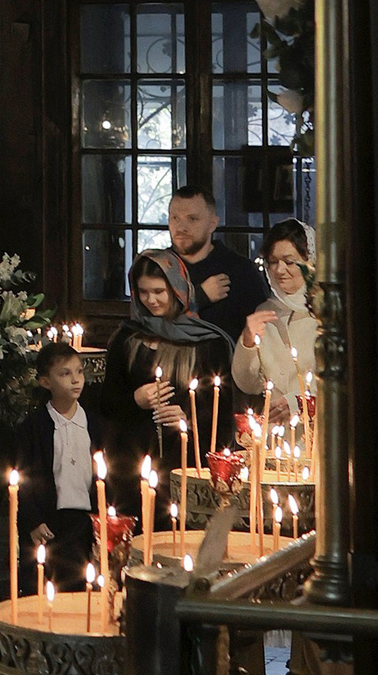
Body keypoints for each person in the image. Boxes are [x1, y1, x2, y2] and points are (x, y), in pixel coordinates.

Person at [105, 246, 234, 480]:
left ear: (177, 290)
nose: (151, 300)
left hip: (187, 461)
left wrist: (187, 420)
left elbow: (221, 413)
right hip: (133, 461)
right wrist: (134, 400)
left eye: (159, 291)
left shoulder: (207, 344)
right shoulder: (126, 339)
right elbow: (107, 404)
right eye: (143, 292)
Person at [14, 341, 111, 591]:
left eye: (79, 372)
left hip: (85, 522)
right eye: (65, 374)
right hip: (50, 521)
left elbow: (105, 475)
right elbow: (24, 477)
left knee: (82, 584)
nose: (76, 380)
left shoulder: (94, 424)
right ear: (46, 382)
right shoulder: (34, 427)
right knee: (47, 584)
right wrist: (33, 521)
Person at [233, 219, 317, 424]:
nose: (279, 270)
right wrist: (248, 342)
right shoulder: (265, 312)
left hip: (321, 430)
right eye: (273, 261)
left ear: (309, 263)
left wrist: (301, 403)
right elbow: (248, 384)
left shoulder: (329, 313)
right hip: (277, 432)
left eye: (289, 262)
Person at [165, 183, 267, 346]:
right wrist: (199, 296)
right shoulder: (157, 267)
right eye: (175, 218)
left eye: (192, 219)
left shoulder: (240, 270)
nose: (181, 227)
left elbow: (258, 332)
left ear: (212, 224)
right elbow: (149, 322)